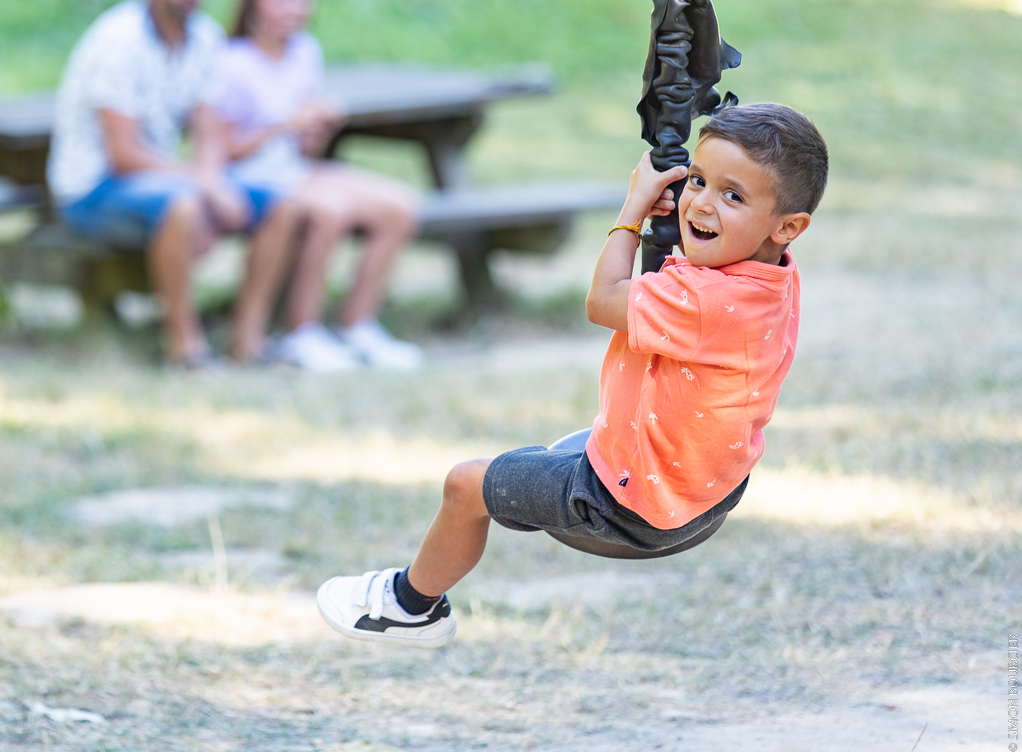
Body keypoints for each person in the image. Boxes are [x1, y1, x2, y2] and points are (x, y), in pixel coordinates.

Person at [315, 103, 828, 647]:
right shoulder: (770, 277)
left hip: (631, 508)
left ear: (788, 226)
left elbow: (602, 300)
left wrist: (633, 208)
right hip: (707, 491)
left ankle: (410, 608)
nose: (699, 202)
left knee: (466, 486)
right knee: (556, 453)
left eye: (733, 196)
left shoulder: (703, 300)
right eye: (698, 180)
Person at [46, 0, 267, 367]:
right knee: (182, 207)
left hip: (164, 179)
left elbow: (209, 129)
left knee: (282, 203)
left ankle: (252, 337)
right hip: (93, 188)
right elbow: (123, 154)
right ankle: (185, 345)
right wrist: (202, 185)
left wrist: (211, 179)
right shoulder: (118, 42)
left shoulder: (205, 37)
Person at [203, 0, 424, 371]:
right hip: (251, 178)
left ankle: (357, 324)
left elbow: (303, 152)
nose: (297, 6)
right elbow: (221, 149)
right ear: (254, 0)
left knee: (400, 206)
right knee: (330, 210)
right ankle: (299, 332)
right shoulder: (232, 62)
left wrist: (316, 129)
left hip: (296, 170)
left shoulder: (305, 52)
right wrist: (283, 126)